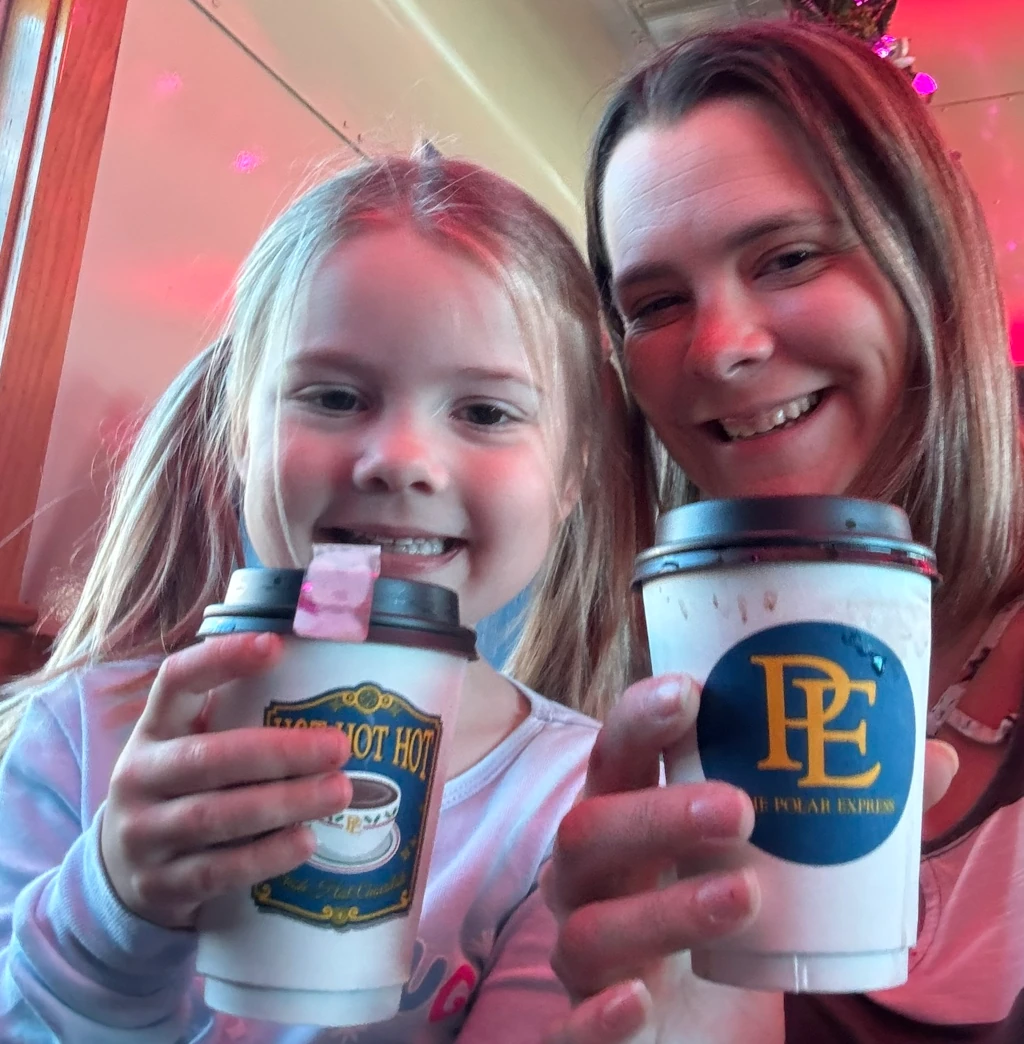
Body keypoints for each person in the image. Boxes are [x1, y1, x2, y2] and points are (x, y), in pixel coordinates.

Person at [0, 149, 640, 1042]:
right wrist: (111, 907)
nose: (401, 461)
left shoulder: (577, 800)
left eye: (486, 413)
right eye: (334, 397)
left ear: (572, 475)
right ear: (238, 430)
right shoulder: (80, 736)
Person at [542, 20, 1024, 1044]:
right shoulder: (598, 681)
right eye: (657, 301)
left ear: (925, 269)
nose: (719, 348)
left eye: (789, 256)